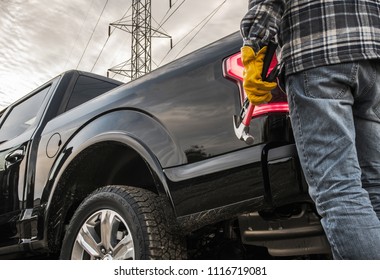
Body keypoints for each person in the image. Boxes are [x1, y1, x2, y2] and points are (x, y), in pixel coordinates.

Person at [240, 0, 380, 259]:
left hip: (318, 52)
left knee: (339, 189)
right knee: (374, 186)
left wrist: (254, 45)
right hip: (372, 56)